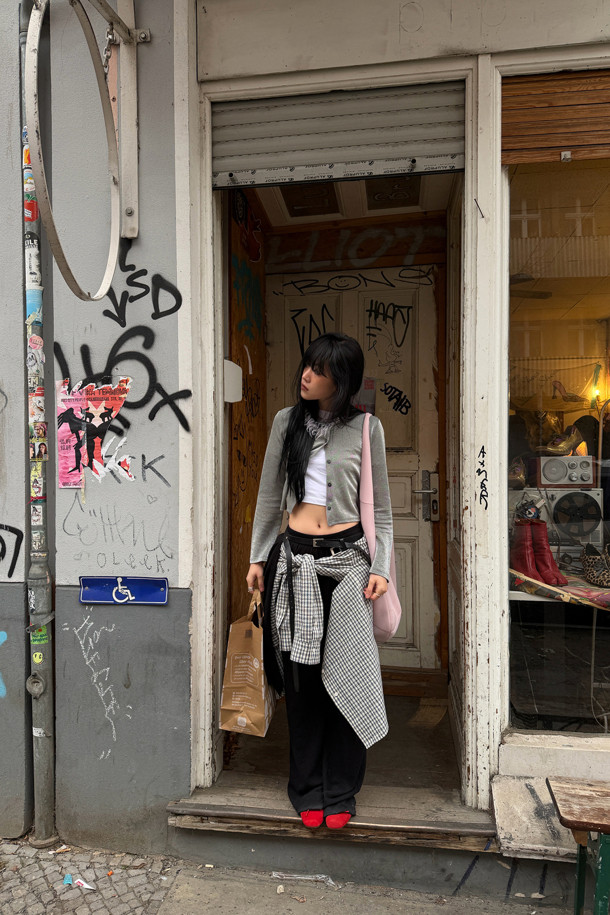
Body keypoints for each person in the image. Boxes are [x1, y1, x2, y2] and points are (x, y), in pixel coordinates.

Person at [246, 332, 393, 831]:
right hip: (295, 564)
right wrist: (258, 557)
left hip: (348, 567)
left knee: (347, 677)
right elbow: (269, 496)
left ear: (342, 380)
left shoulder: (367, 428)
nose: (306, 375)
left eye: (320, 370)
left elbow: (383, 511)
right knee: (303, 681)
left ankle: (341, 789)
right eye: (307, 365)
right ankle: (306, 787)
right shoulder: (285, 422)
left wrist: (380, 567)